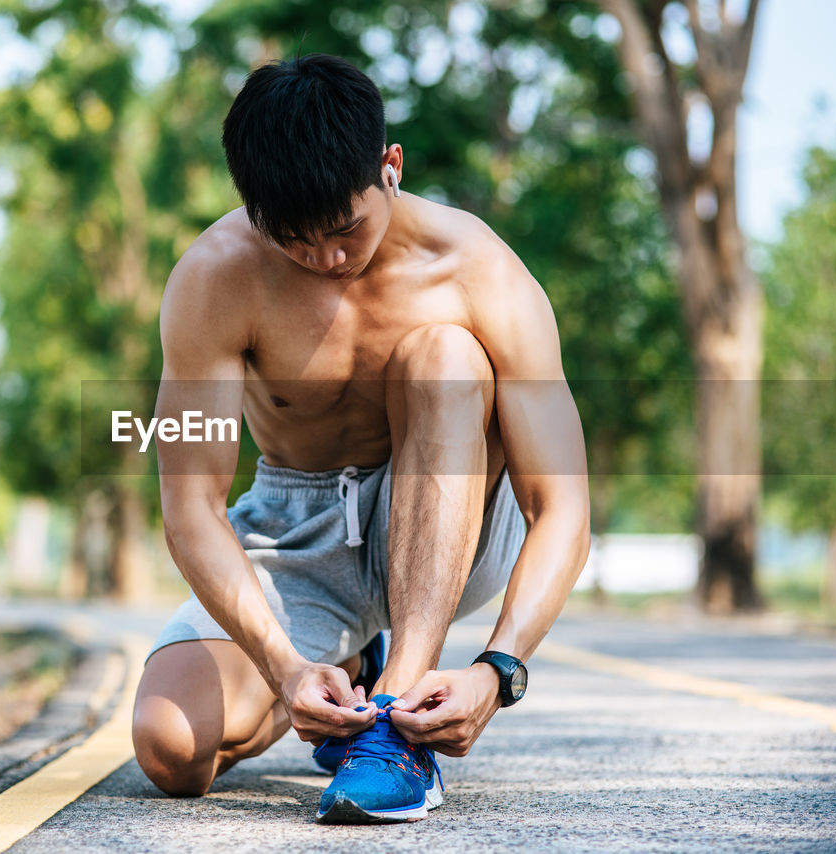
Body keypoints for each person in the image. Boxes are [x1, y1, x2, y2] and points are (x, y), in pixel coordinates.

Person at [131, 53, 590, 824]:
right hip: (299, 526)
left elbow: (565, 508)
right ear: (252, 209)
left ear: (391, 167)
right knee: (171, 749)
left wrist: (497, 669)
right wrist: (283, 668)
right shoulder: (213, 278)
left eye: (345, 229)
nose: (327, 259)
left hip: (460, 517)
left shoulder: (480, 271)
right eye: (295, 241)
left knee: (442, 356)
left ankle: (396, 720)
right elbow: (190, 505)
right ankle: (345, 666)